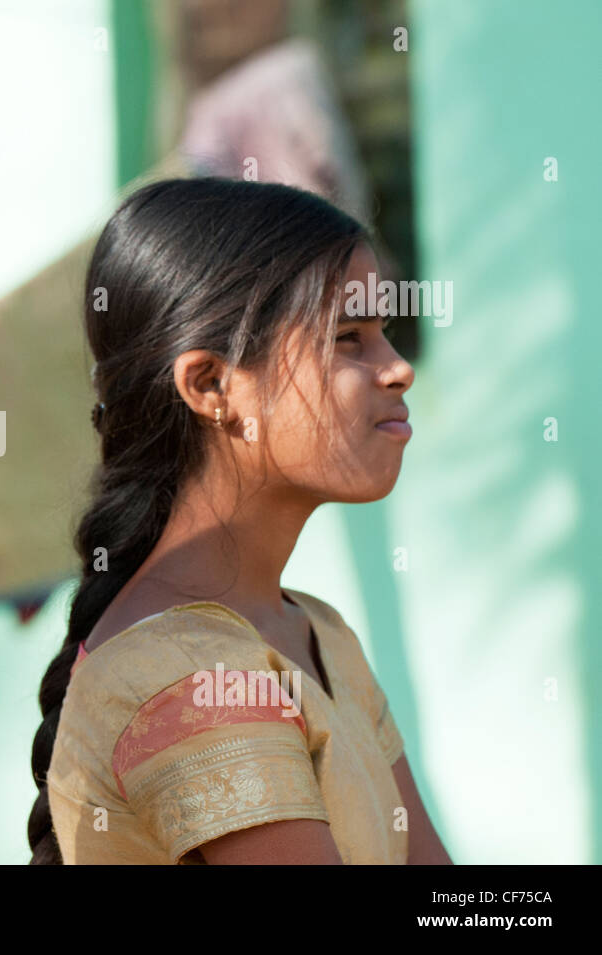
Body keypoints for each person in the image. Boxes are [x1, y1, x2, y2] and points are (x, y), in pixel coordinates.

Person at [28, 177, 450, 865]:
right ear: (212, 385)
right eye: (349, 338)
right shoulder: (188, 672)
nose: (397, 368)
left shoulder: (317, 633)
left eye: (386, 334)